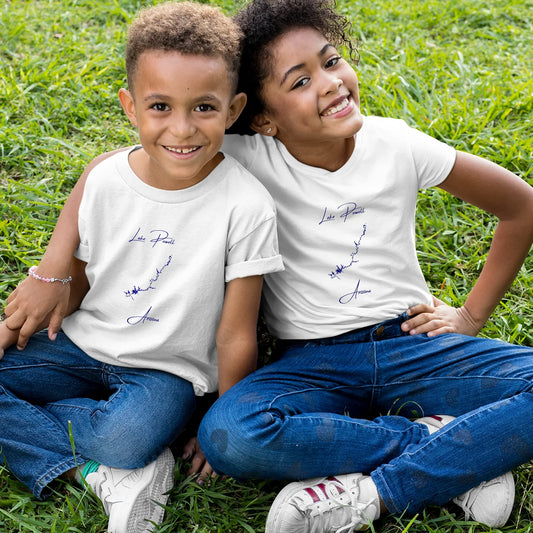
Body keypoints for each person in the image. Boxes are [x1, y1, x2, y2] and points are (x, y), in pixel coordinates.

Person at [2, 0, 533, 531]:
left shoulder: (397, 145)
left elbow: (521, 205)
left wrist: (469, 316)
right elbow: (115, 164)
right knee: (233, 436)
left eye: (330, 62)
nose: (329, 84)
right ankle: (456, 448)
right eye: (298, 82)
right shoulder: (236, 151)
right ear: (260, 120)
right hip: (311, 362)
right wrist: (51, 270)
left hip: (412, 343)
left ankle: (379, 491)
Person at [0, 2, 283, 532]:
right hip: (81, 346)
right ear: (131, 107)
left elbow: (236, 332)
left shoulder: (245, 205)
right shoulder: (107, 180)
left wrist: (218, 419)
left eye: (204, 107)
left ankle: (118, 453)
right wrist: (16, 321)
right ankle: (96, 472)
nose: (182, 128)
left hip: (166, 374)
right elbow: (77, 284)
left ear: (234, 107)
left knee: (124, 437)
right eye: (160, 106)